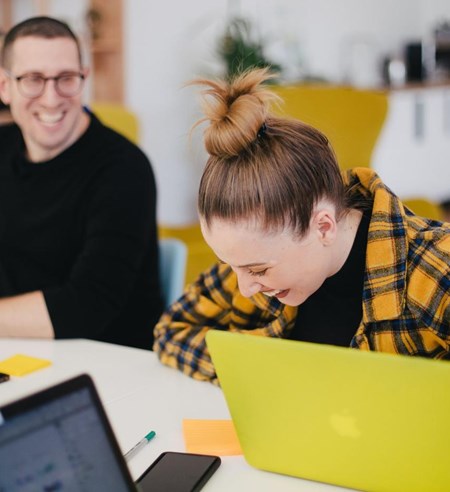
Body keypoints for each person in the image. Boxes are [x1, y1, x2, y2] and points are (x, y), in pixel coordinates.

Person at [154, 68, 450, 384]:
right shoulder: (256, 257)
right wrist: (265, 368)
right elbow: (171, 331)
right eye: (233, 265)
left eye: (257, 270)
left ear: (323, 227)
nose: (245, 288)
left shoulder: (437, 276)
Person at [0, 16, 163, 349]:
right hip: (16, 348)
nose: (51, 98)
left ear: (83, 79)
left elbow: (87, 305)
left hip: (108, 362)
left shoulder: (124, 169)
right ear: (5, 86)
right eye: (33, 79)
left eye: (66, 79)